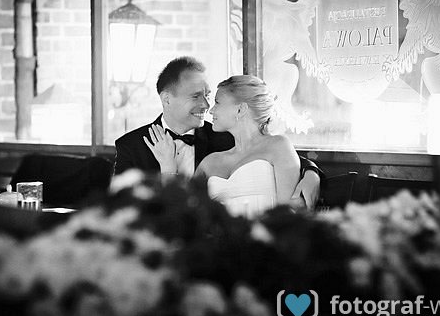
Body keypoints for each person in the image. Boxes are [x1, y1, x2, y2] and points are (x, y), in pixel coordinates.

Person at [113, 56, 322, 210]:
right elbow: (120, 207)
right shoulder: (131, 146)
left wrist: (312, 173)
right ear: (167, 99)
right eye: (196, 96)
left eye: (209, 96)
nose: (206, 106)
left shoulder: (224, 134)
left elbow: (280, 155)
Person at [192, 75, 299, 218]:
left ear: (241, 109)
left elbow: (288, 214)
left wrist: (312, 173)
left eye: (217, 102)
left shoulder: (278, 146)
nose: (211, 110)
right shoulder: (209, 162)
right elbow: (186, 214)